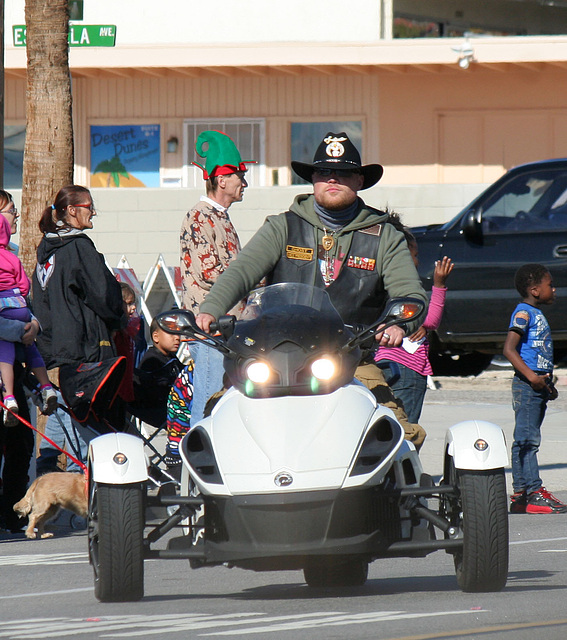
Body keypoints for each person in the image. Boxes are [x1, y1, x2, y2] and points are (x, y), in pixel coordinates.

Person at [196, 132, 428, 448]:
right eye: (324, 172)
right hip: (271, 357)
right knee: (215, 421)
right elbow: (240, 272)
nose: (332, 179)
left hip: (351, 358)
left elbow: (410, 293)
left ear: (359, 180)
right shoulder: (282, 226)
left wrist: (400, 322)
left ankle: (404, 497)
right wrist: (210, 309)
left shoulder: (385, 235)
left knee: (396, 433)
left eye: (343, 172)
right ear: (313, 179)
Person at [32, 185, 125, 442]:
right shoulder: (78, 248)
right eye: (89, 207)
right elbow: (104, 293)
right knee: (88, 423)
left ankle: (51, 461)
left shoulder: (47, 252)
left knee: (69, 411)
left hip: (61, 348)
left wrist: (51, 342)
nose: (93, 212)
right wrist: (119, 317)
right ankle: (79, 476)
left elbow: (40, 303)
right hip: (88, 347)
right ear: (71, 210)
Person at [180, 130, 254, 425]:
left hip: (228, 327)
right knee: (208, 401)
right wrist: (253, 280)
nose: (244, 183)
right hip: (210, 327)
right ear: (221, 180)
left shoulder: (219, 215)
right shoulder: (200, 216)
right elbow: (210, 273)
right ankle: (198, 463)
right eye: (239, 176)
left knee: (224, 400)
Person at [375, 213, 453, 423]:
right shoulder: (408, 293)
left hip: (379, 366)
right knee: (405, 429)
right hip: (407, 370)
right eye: (415, 255)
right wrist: (439, 285)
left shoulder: (375, 285)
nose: (418, 262)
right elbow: (431, 319)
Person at [503, 263, 567, 514]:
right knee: (527, 441)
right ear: (535, 290)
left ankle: (521, 495)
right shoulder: (523, 313)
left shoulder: (535, 313)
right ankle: (533, 492)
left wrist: (546, 384)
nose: (554, 288)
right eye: (549, 284)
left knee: (526, 440)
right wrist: (532, 377)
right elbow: (509, 349)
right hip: (527, 386)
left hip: (537, 386)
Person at [0, 214, 57, 425]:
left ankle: (8, 396)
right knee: (31, 347)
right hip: (19, 305)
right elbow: (24, 285)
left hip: (2, 309)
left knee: (4, 351)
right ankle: (46, 387)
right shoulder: (12, 258)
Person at [132, 317, 183, 428]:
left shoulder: (170, 357)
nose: (177, 338)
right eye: (172, 334)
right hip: (159, 410)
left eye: (178, 333)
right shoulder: (151, 360)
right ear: (156, 337)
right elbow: (150, 393)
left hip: (173, 405)